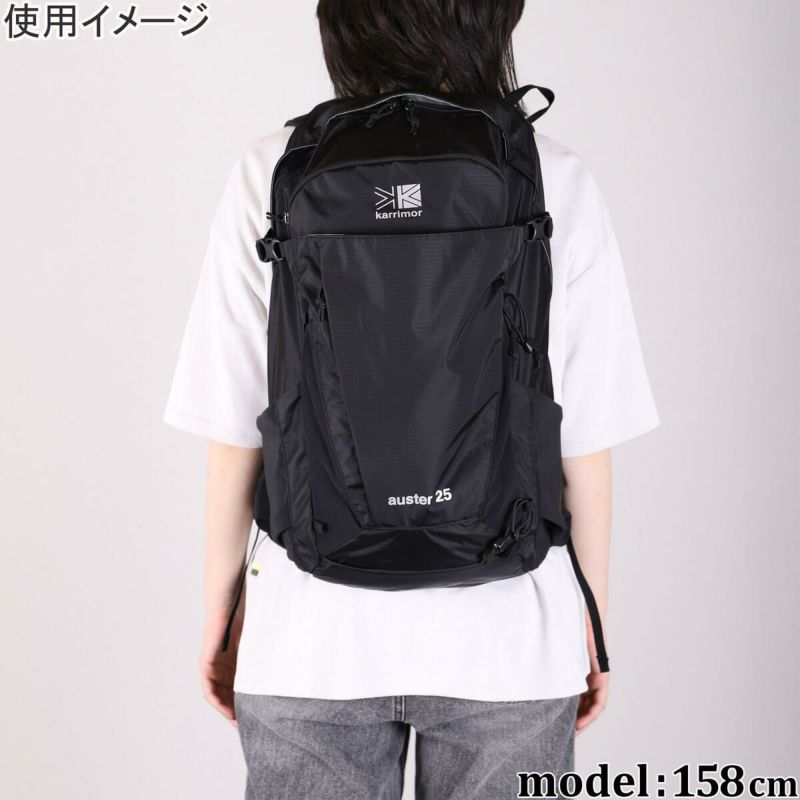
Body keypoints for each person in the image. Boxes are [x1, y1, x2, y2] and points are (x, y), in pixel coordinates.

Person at [164, 2, 660, 797]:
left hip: (310, 638)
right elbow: (585, 441)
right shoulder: (551, 172)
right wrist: (589, 624)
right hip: (509, 642)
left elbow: (234, 430)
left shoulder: (273, 169)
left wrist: (222, 617)